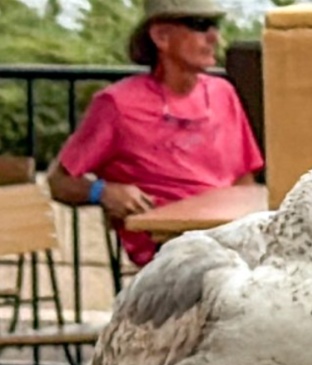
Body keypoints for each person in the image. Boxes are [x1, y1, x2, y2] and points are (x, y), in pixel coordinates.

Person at [47, 0, 263, 268]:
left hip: (230, 244)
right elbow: (58, 182)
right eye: (200, 25)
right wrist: (101, 191)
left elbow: (244, 181)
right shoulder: (117, 104)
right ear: (161, 36)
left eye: (215, 25)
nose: (214, 37)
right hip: (168, 254)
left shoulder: (223, 94)